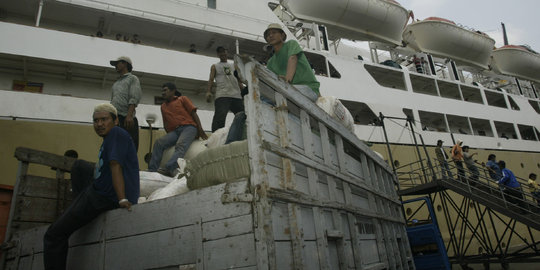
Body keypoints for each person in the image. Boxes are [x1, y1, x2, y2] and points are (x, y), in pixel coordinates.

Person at [43, 103, 139, 270]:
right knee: (79, 166)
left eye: (104, 119)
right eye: (95, 121)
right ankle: (76, 208)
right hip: (100, 191)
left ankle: (75, 210)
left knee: (53, 235)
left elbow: (116, 165)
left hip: (103, 196)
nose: (99, 124)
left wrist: (122, 199)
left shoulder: (116, 133)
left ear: (116, 121)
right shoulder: (110, 138)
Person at [148, 83, 208, 177]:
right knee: (159, 142)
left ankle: (170, 167)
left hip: (189, 127)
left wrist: (200, 129)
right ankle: (152, 170)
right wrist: (169, 138)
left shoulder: (183, 99)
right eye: (162, 90)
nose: (163, 93)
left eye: (165, 90)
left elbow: (194, 114)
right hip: (175, 132)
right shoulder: (163, 106)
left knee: (180, 145)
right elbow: (166, 124)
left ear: (173, 91)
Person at [264, 23, 320, 102]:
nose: (270, 36)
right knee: (264, 97)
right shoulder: (270, 62)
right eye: (268, 34)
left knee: (279, 93)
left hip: (309, 89)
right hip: (288, 90)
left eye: (274, 32)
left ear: (282, 35)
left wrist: (287, 80)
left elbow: (293, 58)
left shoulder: (291, 44)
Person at [206, 46, 244, 132]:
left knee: (243, 115)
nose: (222, 53)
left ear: (227, 52)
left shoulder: (234, 66)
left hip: (236, 95)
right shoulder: (215, 66)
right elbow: (211, 79)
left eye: (224, 51)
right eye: (220, 52)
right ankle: (216, 136)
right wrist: (208, 92)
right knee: (220, 117)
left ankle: (243, 133)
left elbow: (238, 80)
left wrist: (244, 91)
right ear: (218, 54)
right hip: (222, 95)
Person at [109, 56, 142, 151]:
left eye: (117, 63)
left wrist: (129, 115)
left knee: (129, 148)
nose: (115, 66)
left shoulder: (133, 79)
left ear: (125, 64)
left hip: (127, 119)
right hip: (116, 119)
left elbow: (134, 97)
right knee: (115, 147)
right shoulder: (116, 83)